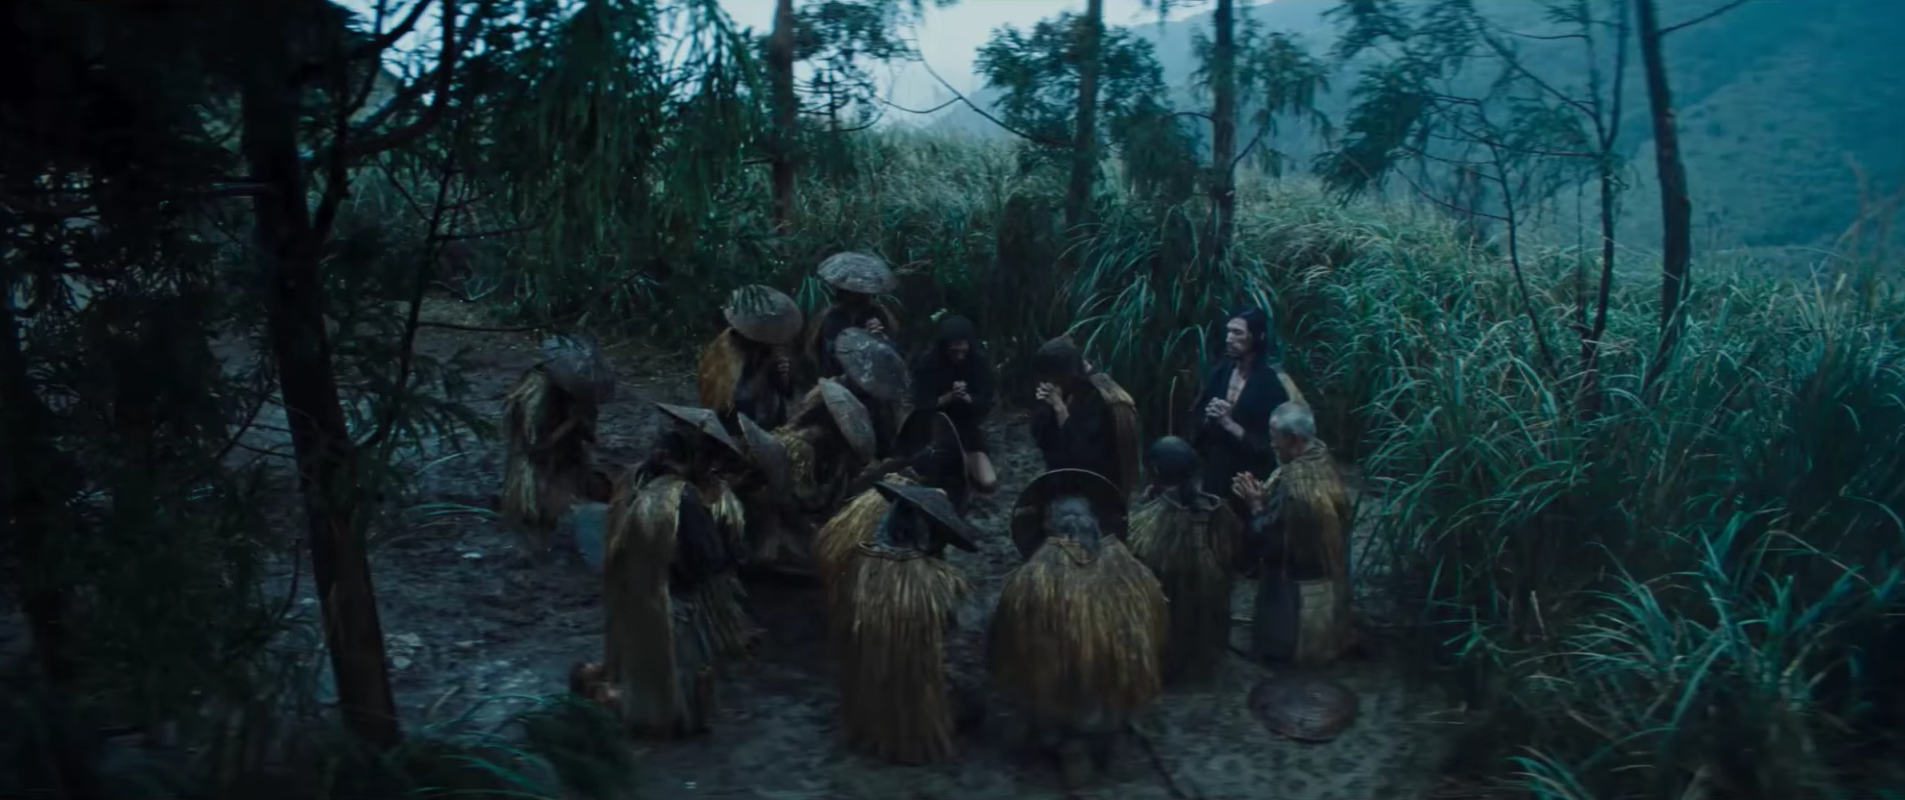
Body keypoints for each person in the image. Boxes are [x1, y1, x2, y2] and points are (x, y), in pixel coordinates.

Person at [991, 469, 1168, 790]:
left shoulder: (1034, 576)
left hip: (1062, 693)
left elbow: (1007, 639)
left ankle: (1071, 748)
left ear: (1049, 526)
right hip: (1113, 689)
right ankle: (1109, 738)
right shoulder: (1130, 568)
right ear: (1093, 521)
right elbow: (1157, 626)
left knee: (1047, 689)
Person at [601, 403, 758, 739]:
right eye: (708, 459)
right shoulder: (683, 499)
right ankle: (689, 727)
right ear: (695, 458)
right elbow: (710, 561)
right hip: (674, 604)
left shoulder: (638, 484)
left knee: (646, 675)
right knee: (693, 670)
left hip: (634, 600)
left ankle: (641, 717)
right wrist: (732, 547)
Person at [833, 481, 984, 765]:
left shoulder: (857, 567)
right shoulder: (941, 582)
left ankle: (869, 727)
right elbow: (964, 642)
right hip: (916, 702)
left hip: (867, 692)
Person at [1230, 401, 1354, 668]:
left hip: (1298, 594)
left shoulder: (1297, 489)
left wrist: (1256, 506)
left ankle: (1284, 658)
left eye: (1275, 437)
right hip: (1326, 577)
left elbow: (1272, 543)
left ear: (1295, 439)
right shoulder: (1321, 457)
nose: (1272, 444)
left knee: (1285, 652)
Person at [1187, 306, 1305, 569]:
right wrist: (1210, 415)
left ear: (1256, 337)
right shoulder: (1221, 372)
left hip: (1250, 472)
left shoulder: (1270, 384)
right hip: (1218, 466)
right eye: (1228, 332)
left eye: (1238, 333)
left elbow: (1272, 443)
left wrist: (1230, 424)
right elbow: (1198, 413)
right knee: (1216, 531)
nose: (1229, 338)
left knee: (1247, 541)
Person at [1125, 436, 1243, 686]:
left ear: (1154, 471)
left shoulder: (1149, 524)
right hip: (1208, 609)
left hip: (1170, 614)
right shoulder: (1218, 510)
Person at [499, 335, 615, 538]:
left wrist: (583, 421)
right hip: (539, 467)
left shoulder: (582, 391)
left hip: (567, 461)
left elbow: (590, 437)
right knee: (553, 514)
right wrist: (571, 422)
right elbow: (535, 448)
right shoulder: (536, 397)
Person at [1028, 336, 1142, 499]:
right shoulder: (1069, 389)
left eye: (1051, 377)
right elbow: (1045, 441)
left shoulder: (1101, 400)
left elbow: (1081, 458)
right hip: (1070, 480)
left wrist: (1060, 409)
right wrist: (1048, 406)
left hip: (1099, 488)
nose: (1047, 382)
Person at [909, 314, 1000, 492]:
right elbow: (921, 404)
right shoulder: (928, 364)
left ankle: (967, 466)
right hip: (933, 434)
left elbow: (986, 401)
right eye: (954, 352)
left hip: (968, 433)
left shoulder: (978, 363)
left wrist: (967, 398)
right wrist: (948, 397)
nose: (959, 356)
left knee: (988, 482)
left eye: (963, 352)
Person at [699, 284, 804, 430]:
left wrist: (785, 375)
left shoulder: (769, 350)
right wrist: (765, 371)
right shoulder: (727, 351)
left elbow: (787, 393)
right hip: (733, 426)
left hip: (768, 425)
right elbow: (735, 402)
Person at [807, 251, 901, 380]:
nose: (852, 295)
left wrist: (880, 338)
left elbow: (894, 356)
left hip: (870, 383)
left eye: (856, 292)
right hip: (834, 380)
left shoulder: (880, 315)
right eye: (848, 291)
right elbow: (818, 352)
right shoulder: (829, 316)